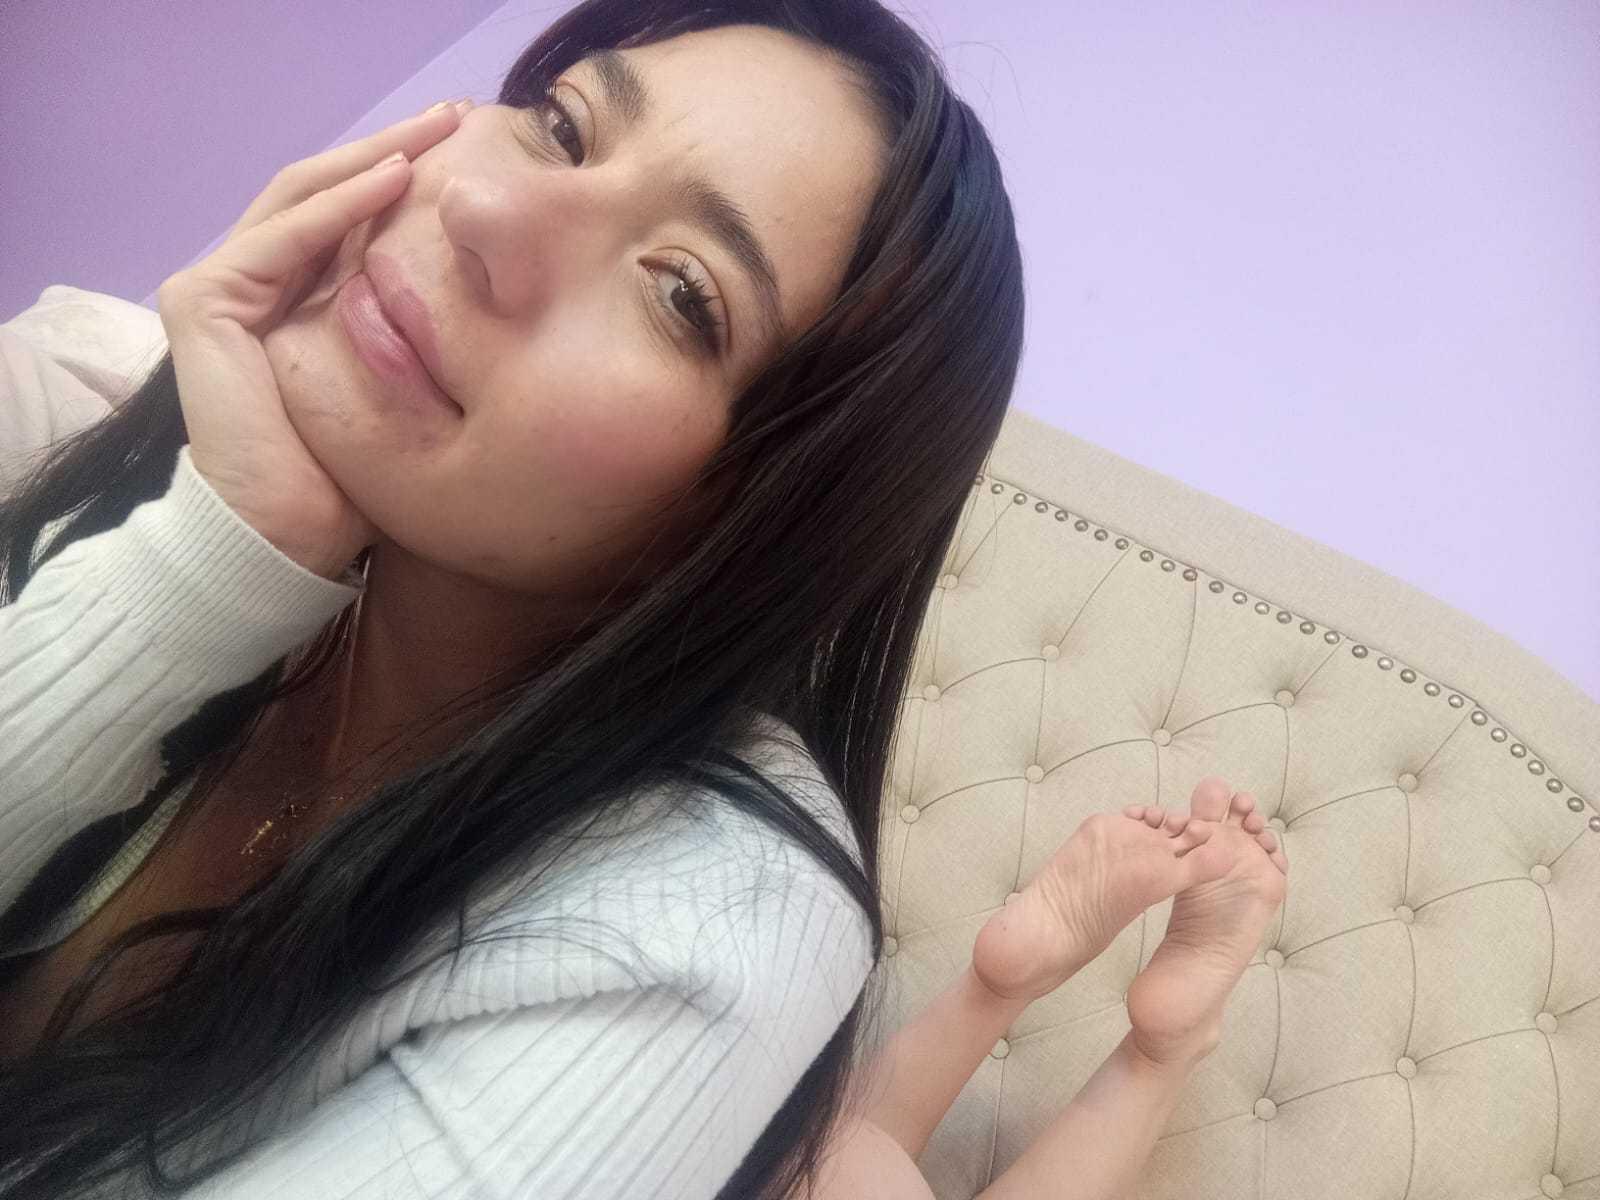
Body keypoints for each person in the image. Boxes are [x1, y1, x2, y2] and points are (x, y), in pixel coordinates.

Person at [0, 1, 1029, 1196]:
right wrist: (214, 561)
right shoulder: (175, 458)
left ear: (752, 518)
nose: (482, 210)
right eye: (563, 126)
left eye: (682, 294)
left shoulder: (715, 911)